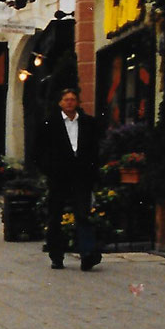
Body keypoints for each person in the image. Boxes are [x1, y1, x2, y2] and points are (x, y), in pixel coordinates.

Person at [36, 85, 102, 271]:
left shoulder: (88, 123)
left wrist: (92, 171)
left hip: (81, 177)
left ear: (78, 102)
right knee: (55, 216)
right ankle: (57, 256)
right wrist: (49, 170)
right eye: (66, 99)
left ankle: (87, 255)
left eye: (73, 99)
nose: (70, 102)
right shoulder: (50, 124)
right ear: (60, 103)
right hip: (59, 177)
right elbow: (39, 151)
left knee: (83, 215)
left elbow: (95, 150)